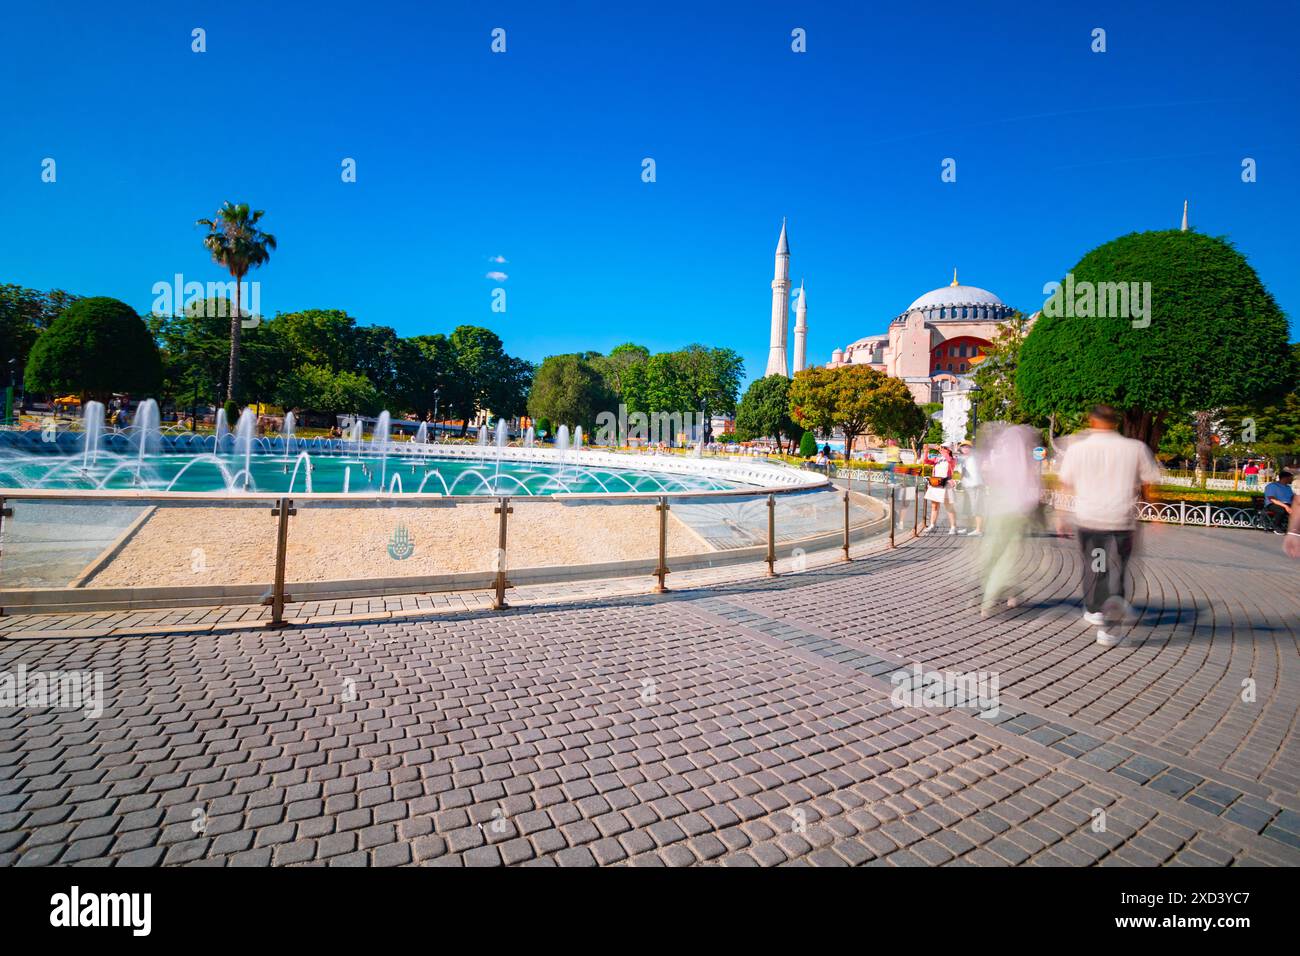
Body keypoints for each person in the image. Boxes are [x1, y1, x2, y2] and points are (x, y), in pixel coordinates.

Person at [1057, 405, 1161, 647]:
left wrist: (1060, 516)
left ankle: (1095, 609)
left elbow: (1065, 483)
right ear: (1115, 422)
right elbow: (1150, 483)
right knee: (1119, 571)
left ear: (1092, 422)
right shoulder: (1135, 448)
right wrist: (1156, 513)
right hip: (1121, 519)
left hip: (1090, 519)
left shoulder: (1078, 449)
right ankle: (1110, 627)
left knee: (1097, 566)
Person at [976, 423, 1041, 615]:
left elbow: (991, 478)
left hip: (1004, 512)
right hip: (1012, 511)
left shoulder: (1003, 457)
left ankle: (989, 599)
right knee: (1006, 554)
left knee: (997, 554)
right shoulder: (1024, 460)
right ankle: (1008, 592)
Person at [924, 445, 959, 534]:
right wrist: (926, 451)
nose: (941, 449)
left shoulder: (952, 459)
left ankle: (953, 527)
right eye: (942, 447)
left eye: (944, 447)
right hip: (936, 483)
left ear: (949, 450)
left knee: (949, 506)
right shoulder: (937, 458)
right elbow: (926, 461)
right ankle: (932, 525)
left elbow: (949, 460)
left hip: (946, 484)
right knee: (934, 506)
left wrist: (941, 450)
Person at [957, 441, 984, 536]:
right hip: (967, 487)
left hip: (976, 486)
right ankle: (968, 528)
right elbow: (960, 472)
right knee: (967, 508)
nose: (965, 448)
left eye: (967, 447)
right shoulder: (962, 459)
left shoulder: (975, 458)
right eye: (963, 447)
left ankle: (978, 530)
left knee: (977, 508)